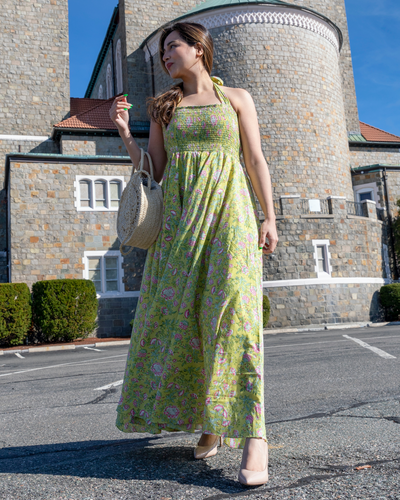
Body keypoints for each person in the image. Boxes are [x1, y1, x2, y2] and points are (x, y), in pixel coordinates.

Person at [109, 21, 278, 486]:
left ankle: (253, 434)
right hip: (181, 226)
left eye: (172, 46)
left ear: (198, 48)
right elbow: (155, 172)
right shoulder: (165, 106)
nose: (165, 56)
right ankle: (211, 420)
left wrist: (269, 217)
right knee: (185, 321)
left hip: (231, 217)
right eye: (163, 50)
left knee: (236, 318)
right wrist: (126, 134)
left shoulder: (237, 98)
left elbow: (254, 159)